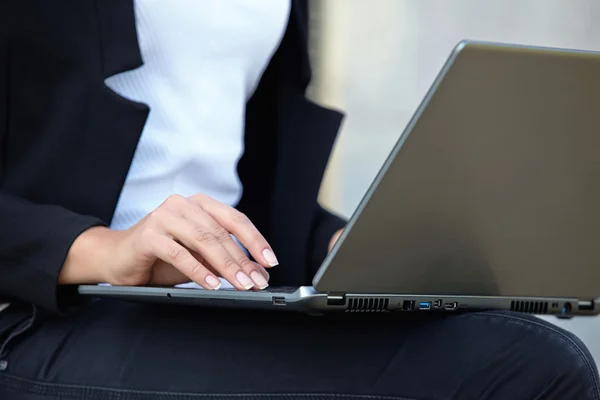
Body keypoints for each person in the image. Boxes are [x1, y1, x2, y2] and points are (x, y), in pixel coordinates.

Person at [0, 1, 598, 399]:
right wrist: (101, 249)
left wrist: (354, 246)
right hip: (38, 314)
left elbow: (254, 182)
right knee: (524, 365)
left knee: (498, 337)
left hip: (211, 301)